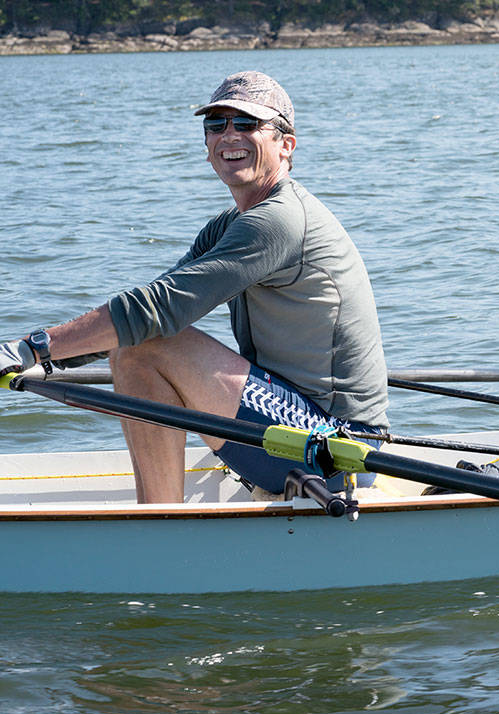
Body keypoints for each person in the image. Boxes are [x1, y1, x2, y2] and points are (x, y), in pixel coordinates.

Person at [0, 71, 389, 502]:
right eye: (216, 124)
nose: (229, 135)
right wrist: (51, 359)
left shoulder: (279, 220)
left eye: (247, 123)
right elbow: (151, 306)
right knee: (134, 345)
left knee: (146, 345)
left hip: (340, 447)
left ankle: (161, 518)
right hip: (291, 423)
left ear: (286, 145)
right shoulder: (229, 225)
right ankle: (160, 516)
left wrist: (32, 349)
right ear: (206, 146)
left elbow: (157, 311)